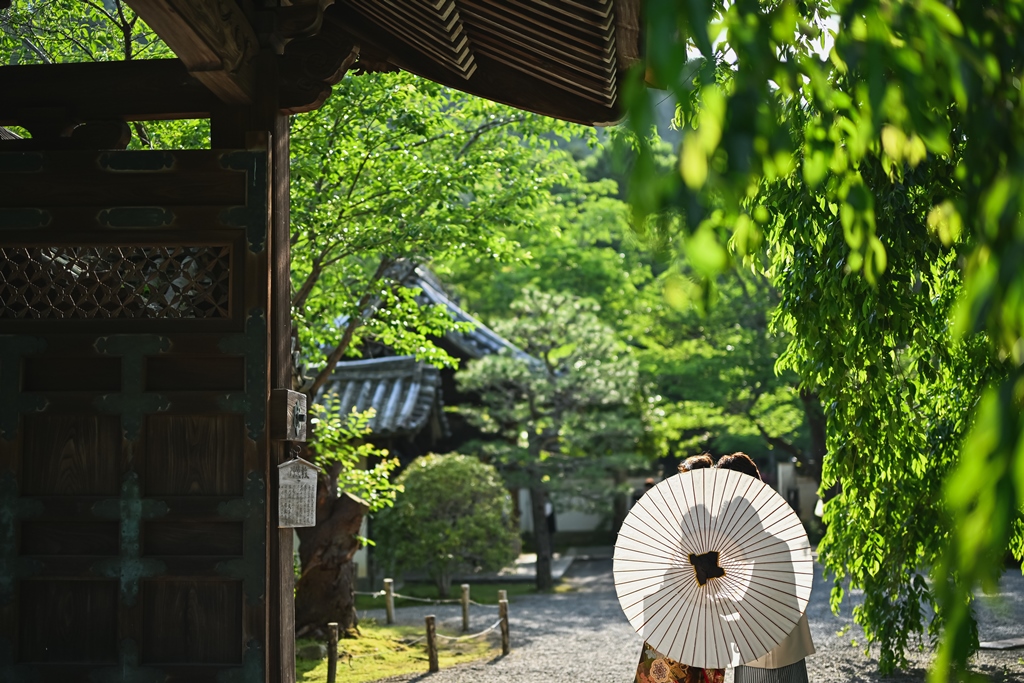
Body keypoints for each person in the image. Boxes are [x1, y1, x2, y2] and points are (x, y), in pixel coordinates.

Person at [715, 452, 815, 683]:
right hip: (788, 642)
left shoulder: (744, 545)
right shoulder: (775, 538)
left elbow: (751, 599)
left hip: (759, 645)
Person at [633, 454, 724, 683]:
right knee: (697, 661)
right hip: (705, 590)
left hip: (682, 589)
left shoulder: (685, 512)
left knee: (671, 664)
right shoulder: (717, 515)